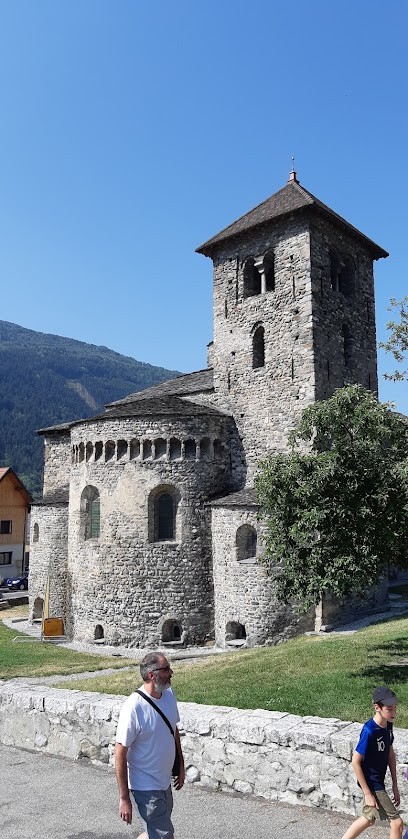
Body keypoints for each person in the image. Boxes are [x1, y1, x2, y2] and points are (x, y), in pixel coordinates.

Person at [115, 651, 185, 839]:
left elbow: (173, 729)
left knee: (153, 832)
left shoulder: (169, 694)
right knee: (164, 835)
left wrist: (181, 765)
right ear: (152, 675)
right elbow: (120, 753)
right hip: (144, 785)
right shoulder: (133, 707)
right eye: (166, 669)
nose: (171, 672)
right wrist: (124, 798)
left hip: (164, 781)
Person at [340, 686, 403, 839]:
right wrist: (368, 793)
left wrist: (395, 784)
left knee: (369, 818)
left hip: (378, 780)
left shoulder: (388, 725)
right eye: (389, 709)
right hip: (373, 782)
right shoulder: (369, 731)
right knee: (397, 823)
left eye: (395, 708)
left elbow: (390, 754)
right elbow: (356, 762)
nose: (393, 712)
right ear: (377, 707)